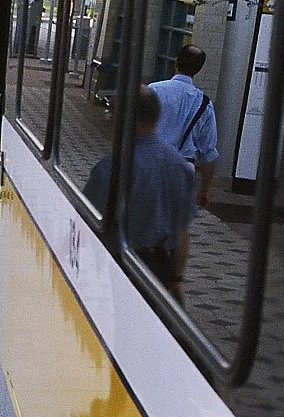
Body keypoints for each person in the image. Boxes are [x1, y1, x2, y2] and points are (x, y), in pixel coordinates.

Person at [83, 87, 197, 302]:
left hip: (123, 264)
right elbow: (182, 231)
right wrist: (177, 278)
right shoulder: (179, 165)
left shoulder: (112, 167)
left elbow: (89, 219)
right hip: (163, 265)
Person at [150, 43, 220, 207]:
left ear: (175, 62)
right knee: (176, 224)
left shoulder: (154, 90)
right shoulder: (205, 104)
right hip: (182, 170)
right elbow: (209, 152)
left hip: (149, 164)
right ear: (198, 69)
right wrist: (205, 189)